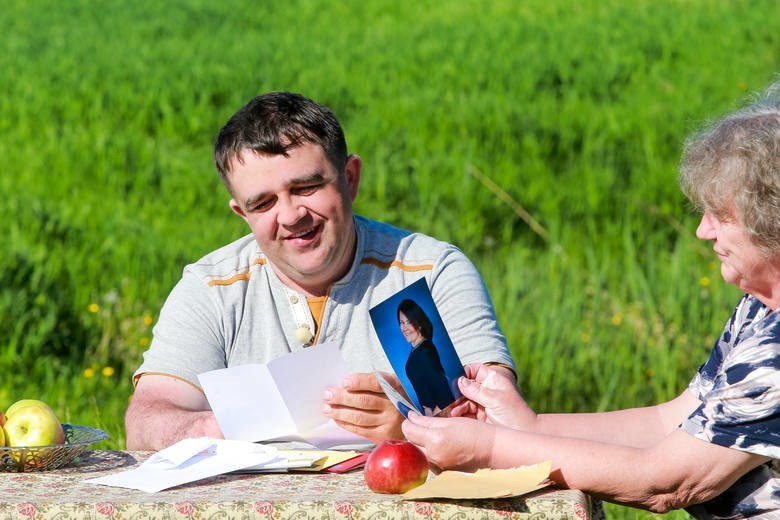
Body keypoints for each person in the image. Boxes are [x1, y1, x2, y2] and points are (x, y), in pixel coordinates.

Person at [402, 83, 780, 518]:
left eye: (722, 216)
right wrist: (528, 426)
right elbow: (669, 422)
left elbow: (665, 482)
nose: (702, 231)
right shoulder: (760, 308)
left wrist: (488, 448)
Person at [125, 91, 516, 450]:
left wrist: (408, 426)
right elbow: (146, 420)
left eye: (306, 187)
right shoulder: (211, 288)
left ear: (350, 178)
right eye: (263, 204)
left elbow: (502, 420)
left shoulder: (432, 270)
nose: (291, 215)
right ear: (241, 213)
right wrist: (210, 428)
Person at [398, 299, 455, 414]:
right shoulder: (418, 349)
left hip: (441, 418)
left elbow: (445, 395)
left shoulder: (425, 352)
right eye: (402, 322)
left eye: (409, 322)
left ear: (418, 323)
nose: (404, 328)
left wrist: (433, 415)